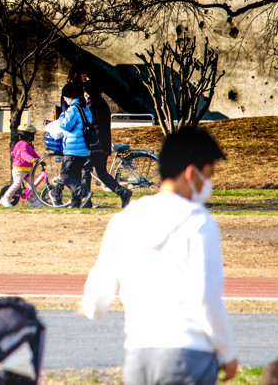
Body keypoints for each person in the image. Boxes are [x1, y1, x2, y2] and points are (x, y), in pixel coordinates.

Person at [80, 126, 238, 385]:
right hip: (189, 355)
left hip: (138, 356)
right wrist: (227, 352)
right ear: (191, 173)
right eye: (208, 175)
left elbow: (97, 296)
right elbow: (206, 298)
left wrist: (91, 307)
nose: (208, 183)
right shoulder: (199, 222)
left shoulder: (125, 219)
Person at [67, 67, 132, 209]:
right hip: (103, 145)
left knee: (85, 170)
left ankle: (86, 201)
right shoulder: (102, 102)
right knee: (101, 173)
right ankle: (123, 192)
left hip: (96, 145)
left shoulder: (91, 103)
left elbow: (85, 120)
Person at [43, 83, 93, 208]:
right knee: (75, 175)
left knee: (65, 175)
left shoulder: (72, 109)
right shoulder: (85, 108)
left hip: (73, 148)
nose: (64, 99)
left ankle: (83, 193)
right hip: (84, 149)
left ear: (69, 96)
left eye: (65, 97)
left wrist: (61, 116)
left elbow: (66, 125)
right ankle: (76, 203)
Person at [0, 121, 42, 207]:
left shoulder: (29, 145)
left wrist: (40, 160)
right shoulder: (22, 145)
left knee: (32, 186)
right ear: (27, 135)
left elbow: (34, 154)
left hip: (27, 170)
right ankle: (5, 198)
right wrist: (32, 160)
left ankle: (32, 202)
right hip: (19, 169)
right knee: (16, 184)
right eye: (31, 135)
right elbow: (24, 155)